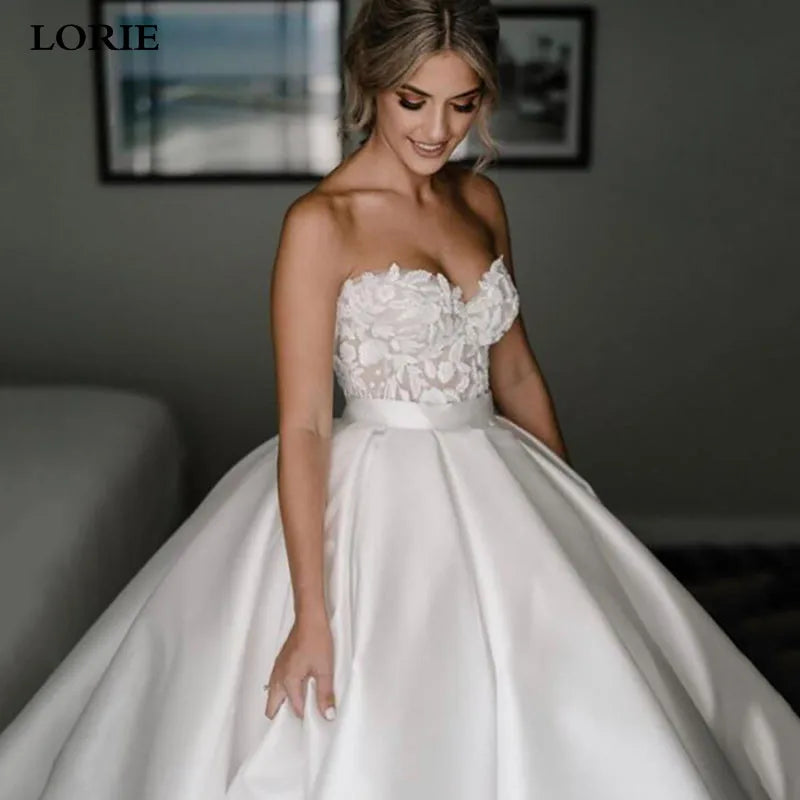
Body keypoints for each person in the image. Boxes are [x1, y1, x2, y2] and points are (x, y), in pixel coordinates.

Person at [2, 0, 800, 798]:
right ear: (370, 84)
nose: (436, 129)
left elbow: (515, 370)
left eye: (462, 104)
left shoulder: (480, 202)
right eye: (413, 100)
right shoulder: (322, 222)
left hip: (498, 474)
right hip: (377, 495)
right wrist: (311, 617)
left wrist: (572, 512)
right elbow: (307, 424)